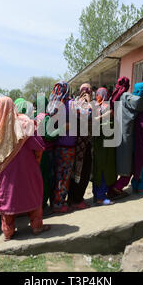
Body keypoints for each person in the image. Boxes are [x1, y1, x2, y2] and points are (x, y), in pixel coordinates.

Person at [0, 96, 50, 241]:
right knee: (32, 193)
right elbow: (38, 145)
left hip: (6, 171)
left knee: (8, 198)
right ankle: (36, 226)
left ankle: (8, 232)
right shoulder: (24, 123)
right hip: (27, 168)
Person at [107, 77, 143, 200]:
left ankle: (116, 186)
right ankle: (117, 188)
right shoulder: (125, 96)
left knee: (124, 163)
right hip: (128, 136)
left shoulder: (116, 96)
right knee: (129, 164)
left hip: (119, 133)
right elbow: (139, 103)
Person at [49, 82, 77, 213]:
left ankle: (54, 201)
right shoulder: (70, 103)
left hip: (55, 145)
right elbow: (86, 113)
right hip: (68, 146)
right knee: (64, 176)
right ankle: (59, 203)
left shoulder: (53, 103)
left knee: (56, 174)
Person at [68, 83, 93, 210]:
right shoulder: (83, 103)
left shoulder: (75, 102)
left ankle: (73, 198)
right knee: (82, 172)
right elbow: (88, 115)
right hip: (82, 144)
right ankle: (76, 200)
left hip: (77, 143)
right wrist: (89, 102)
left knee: (76, 172)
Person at [92, 87, 115, 205]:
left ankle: (96, 195)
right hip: (104, 146)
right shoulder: (107, 107)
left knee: (97, 170)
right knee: (104, 170)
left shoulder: (95, 107)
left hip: (96, 145)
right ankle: (101, 198)